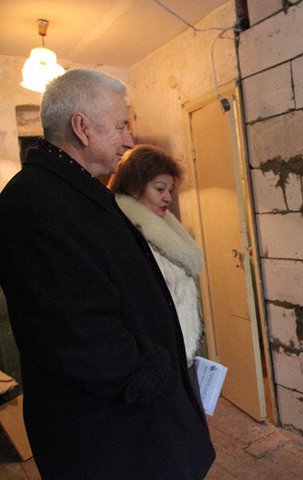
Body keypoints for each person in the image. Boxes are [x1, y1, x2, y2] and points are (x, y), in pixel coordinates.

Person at [0, 69, 215, 479]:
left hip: (132, 422)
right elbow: (77, 335)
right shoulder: (34, 203)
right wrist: (159, 369)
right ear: (82, 127)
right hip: (109, 438)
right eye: (120, 125)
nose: (129, 139)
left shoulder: (76, 192)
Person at [109, 144, 205, 400]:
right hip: (157, 361)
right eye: (160, 189)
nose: (167, 198)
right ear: (134, 187)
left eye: (169, 190)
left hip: (181, 352)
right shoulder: (128, 235)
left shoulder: (164, 227)